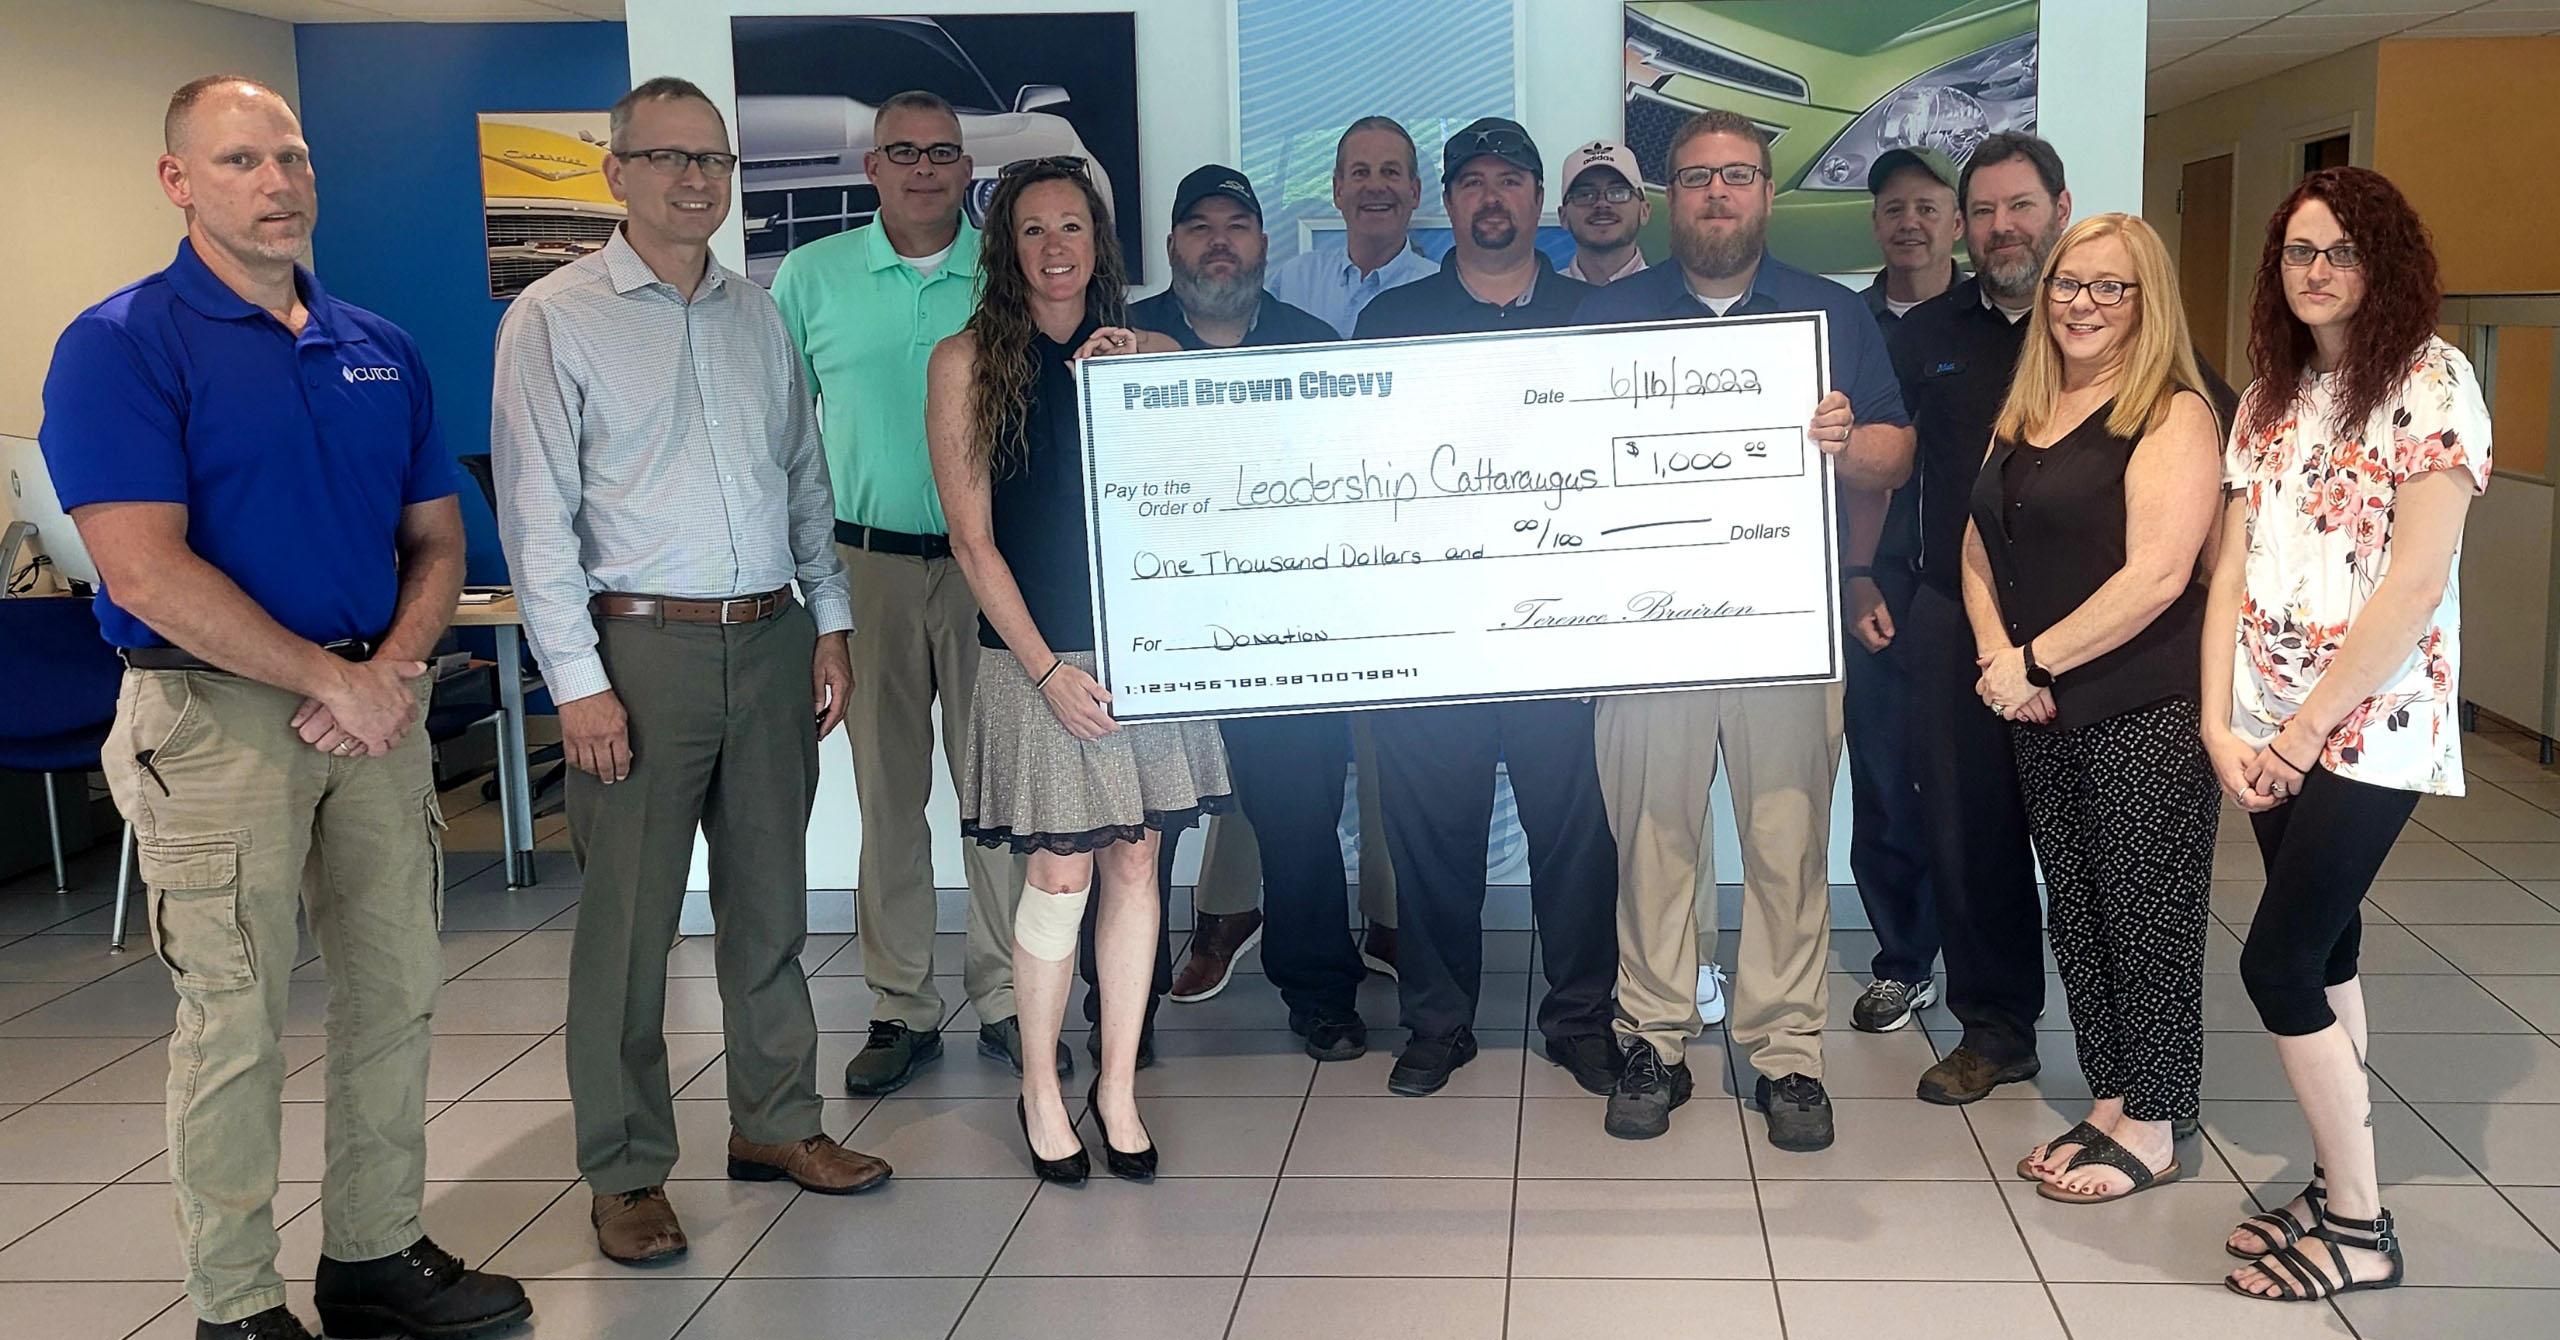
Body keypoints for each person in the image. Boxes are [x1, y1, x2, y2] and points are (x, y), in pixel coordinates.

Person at [40, 75, 527, 1340]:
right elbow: (142, 565)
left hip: (375, 705)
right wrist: (329, 680)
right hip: (215, 721)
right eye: (242, 159)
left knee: (394, 987)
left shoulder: (378, 345)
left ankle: (372, 1252)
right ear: (178, 181)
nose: (277, 182)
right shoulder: (121, 341)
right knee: (236, 1014)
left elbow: (434, 538)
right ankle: (236, 1303)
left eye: (293, 158)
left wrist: (392, 672)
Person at [493, 77, 891, 1266]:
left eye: (711, 159)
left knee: (768, 908)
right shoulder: (554, 318)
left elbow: (802, 481)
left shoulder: (755, 312)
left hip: (769, 637)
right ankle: (624, 1170)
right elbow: (534, 516)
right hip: (638, 650)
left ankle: (777, 1124)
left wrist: (829, 621)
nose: (695, 179)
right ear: (614, 172)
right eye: (666, 157)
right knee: (627, 930)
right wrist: (577, 682)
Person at [1576, 108, 1914, 1148]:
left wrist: (1844, 439)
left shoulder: (1829, 314)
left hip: (1783, 631)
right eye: (1694, 177)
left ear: (1767, 193)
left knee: (1784, 842)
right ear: (1666, 198)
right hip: (1643, 633)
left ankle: (1785, 1053)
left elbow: (1894, 457)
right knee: (1653, 840)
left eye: (1736, 175)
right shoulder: (1608, 315)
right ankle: (1655, 1039)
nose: (1716, 193)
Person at [928, 157, 1234, 1184]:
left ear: (1100, 244)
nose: (1055, 248)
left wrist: (1141, 362)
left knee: (1140, 862)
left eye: (1074, 227)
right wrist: (1049, 665)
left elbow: (1205, 490)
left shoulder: (1144, 351)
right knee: (1058, 871)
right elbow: (974, 543)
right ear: (1004, 249)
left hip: (1147, 653)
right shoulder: (963, 359)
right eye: (1032, 230)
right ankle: (1041, 1091)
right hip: (1035, 656)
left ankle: (1116, 1087)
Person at [2212, 167, 2487, 1303]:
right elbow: (2227, 568)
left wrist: (2302, 731)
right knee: (2324, 949)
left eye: (2338, 251)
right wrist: (2219, 717)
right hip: (2267, 715)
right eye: (2296, 252)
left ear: (2381, 263)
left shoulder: (2432, 381)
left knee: (2274, 958)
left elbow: (2414, 581)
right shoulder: (2268, 394)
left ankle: (2362, 1228)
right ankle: (2334, 1181)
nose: (2315, 271)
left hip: (2371, 725)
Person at [769, 90, 1047, 1096]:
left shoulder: (1004, 272)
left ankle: (1013, 994)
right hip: (865, 568)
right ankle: (901, 1004)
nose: (924, 168)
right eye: (902, 152)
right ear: (871, 167)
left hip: (991, 569)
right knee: (889, 795)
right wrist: (810, 594)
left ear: (968, 166)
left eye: (942, 151)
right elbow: (784, 442)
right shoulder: (811, 276)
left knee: (997, 796)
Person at [1354, 117, 1622, 1099]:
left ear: (1538, 200)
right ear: (1448, 200)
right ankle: (1435, 1021)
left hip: (1563, 632)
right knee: (1431, 838)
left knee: (1576, 840)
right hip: (1437, 638)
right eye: (1472, 182)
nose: (1491, 197)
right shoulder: (1392, 324)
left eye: (1510, 180)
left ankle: (1580, 1017)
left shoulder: (1597, 317)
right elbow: (1366, 478)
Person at [1961, 214, 2224, 1203]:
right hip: (2041, 709)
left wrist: (2030, 658)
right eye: (2070, 283)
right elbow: (1978, 542)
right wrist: (1998, 659)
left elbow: (2156, 576)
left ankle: (2157, 1119)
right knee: (2079, 914)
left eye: (2109, 287)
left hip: (2141, 709)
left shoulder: (2171, 412)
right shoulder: (2029, 402)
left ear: (2146, 300)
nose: (2081, 303)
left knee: (2146, 917)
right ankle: (2114, 1095)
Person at [1102, 165, 1381, 1061]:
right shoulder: (1121, 340)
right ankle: (1123, 1009)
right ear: (1174, 244)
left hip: (1280, 631)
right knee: (1139, 835)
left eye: (1238, 225)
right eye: (1199, 227)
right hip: (1155, 636)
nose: (1219, 241)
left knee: (1300, 822)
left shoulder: (1308, 343)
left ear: (1265, 244)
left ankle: (1321, 996)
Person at [1890, 132, 2073, 1106]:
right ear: (1964, 226)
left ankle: (2126, 1050)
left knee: (2088, 837)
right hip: (1951, 622)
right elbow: (1892, 471)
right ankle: (1995, 1029)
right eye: (1987, 210)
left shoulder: (2107, 323)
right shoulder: (1925, 333)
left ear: (2060, 206)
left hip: (2088, 629)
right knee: (1967, 834)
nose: (2004, 226)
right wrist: (1875, 578)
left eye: (2022, 205)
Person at [1839, 145, 1962, 1035]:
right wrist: (1854, 577)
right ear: (1875, 225)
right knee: (1883, 780)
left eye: (1926, 207)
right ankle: (1903, 960)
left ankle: (1992, 976)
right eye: (1892, 211)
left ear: (1955, 220)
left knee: (1974, 792)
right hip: (1874, 587)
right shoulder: (1843, 322)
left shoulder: (2002, 320)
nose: (1908, 224)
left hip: (1977, 597)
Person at [1267, 115, 1437, 337]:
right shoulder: (1295, 281)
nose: (1375, 186)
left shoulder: (1439, 289)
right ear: (1338, 191)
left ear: (1415, 192)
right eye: (1361, 173)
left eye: (1390, 172)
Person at [1555, 140, 1649, 286]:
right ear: (1563, 216)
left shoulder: (1676, 299)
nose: (1602, 204)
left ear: (1644, 211)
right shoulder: (1540, 301)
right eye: (1585, 194)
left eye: (1618, 193)